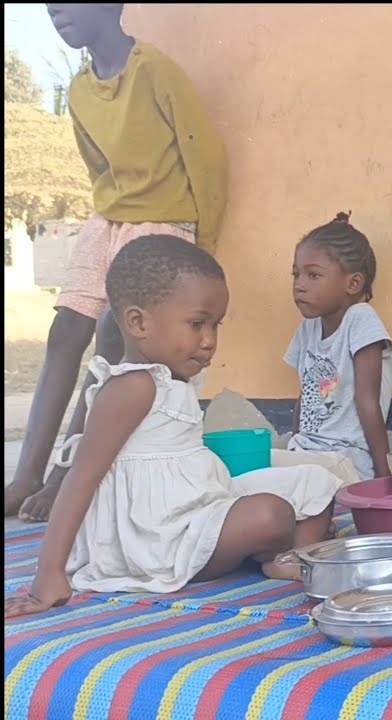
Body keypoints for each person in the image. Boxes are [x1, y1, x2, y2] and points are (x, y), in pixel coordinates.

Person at [4, 236, 342, 619]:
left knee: (317, 481)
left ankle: (287, 556)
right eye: (197, 324)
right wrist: (48, 575)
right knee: (271, 514)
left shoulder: (171, 378)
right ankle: (276, 547)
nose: (210, 341)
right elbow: (80, 480)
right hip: (157, 540)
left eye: (215, 326)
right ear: (138, 322)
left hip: (200, 503)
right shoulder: (132, 387)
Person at [6, 3, 228, 522]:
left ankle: (67, 472)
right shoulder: (81, 90)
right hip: (109, 219)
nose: (54, 9)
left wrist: (201, 248)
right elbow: (96, 165)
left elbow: (208, 159)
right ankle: (27, 475)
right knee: (65, 332)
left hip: (164, 220)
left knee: (115, 331)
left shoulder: (156, 72)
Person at [285, 213, 392, 481]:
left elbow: (367, 402)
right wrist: (294, 444)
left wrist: (383, 478)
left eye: (313, 275)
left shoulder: (360, 319)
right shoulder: (308, 329)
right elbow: (305, 398)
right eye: (296, 274)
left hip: (346, 460)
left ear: (353, 283)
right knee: (245, 470)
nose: (299, 285)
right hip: (308, 454)